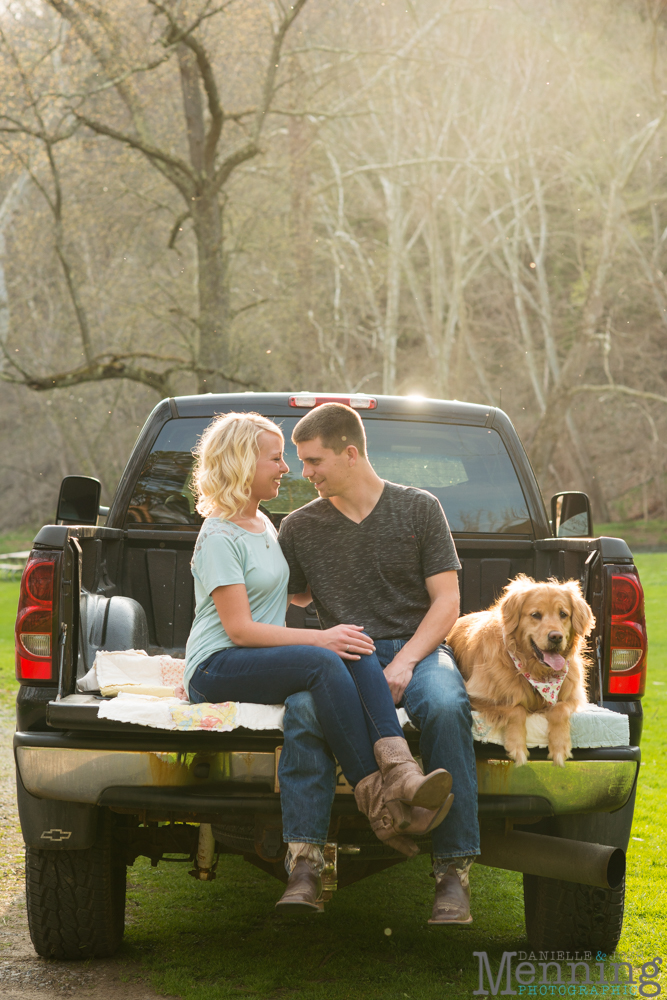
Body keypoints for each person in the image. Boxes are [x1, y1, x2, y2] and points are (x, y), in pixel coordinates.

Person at [182, 411, 454, 913]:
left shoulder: (263, 523)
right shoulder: (219, 534)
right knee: (327, 658)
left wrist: (339, 620)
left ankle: (400, 775)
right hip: (218, 664)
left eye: (295, 458)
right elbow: (239, 628)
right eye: (275, 457)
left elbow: (295, 592)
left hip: (256, 657)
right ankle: (386, 796)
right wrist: (323, 638)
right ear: (244, 462)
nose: (287, 468)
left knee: (350, 646)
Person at [278, 403, 480, 926]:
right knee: (302, 711)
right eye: (300, 463)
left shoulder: (418, 508)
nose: (306, 473)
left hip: (418, 648)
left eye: (314, 461)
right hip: (341, 657)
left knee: (446, 703)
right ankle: (304, 864)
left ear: (350, 452)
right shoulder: (299, 527)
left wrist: (407, 662)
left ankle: (452, 873)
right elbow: (286, 598)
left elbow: (446, 602)